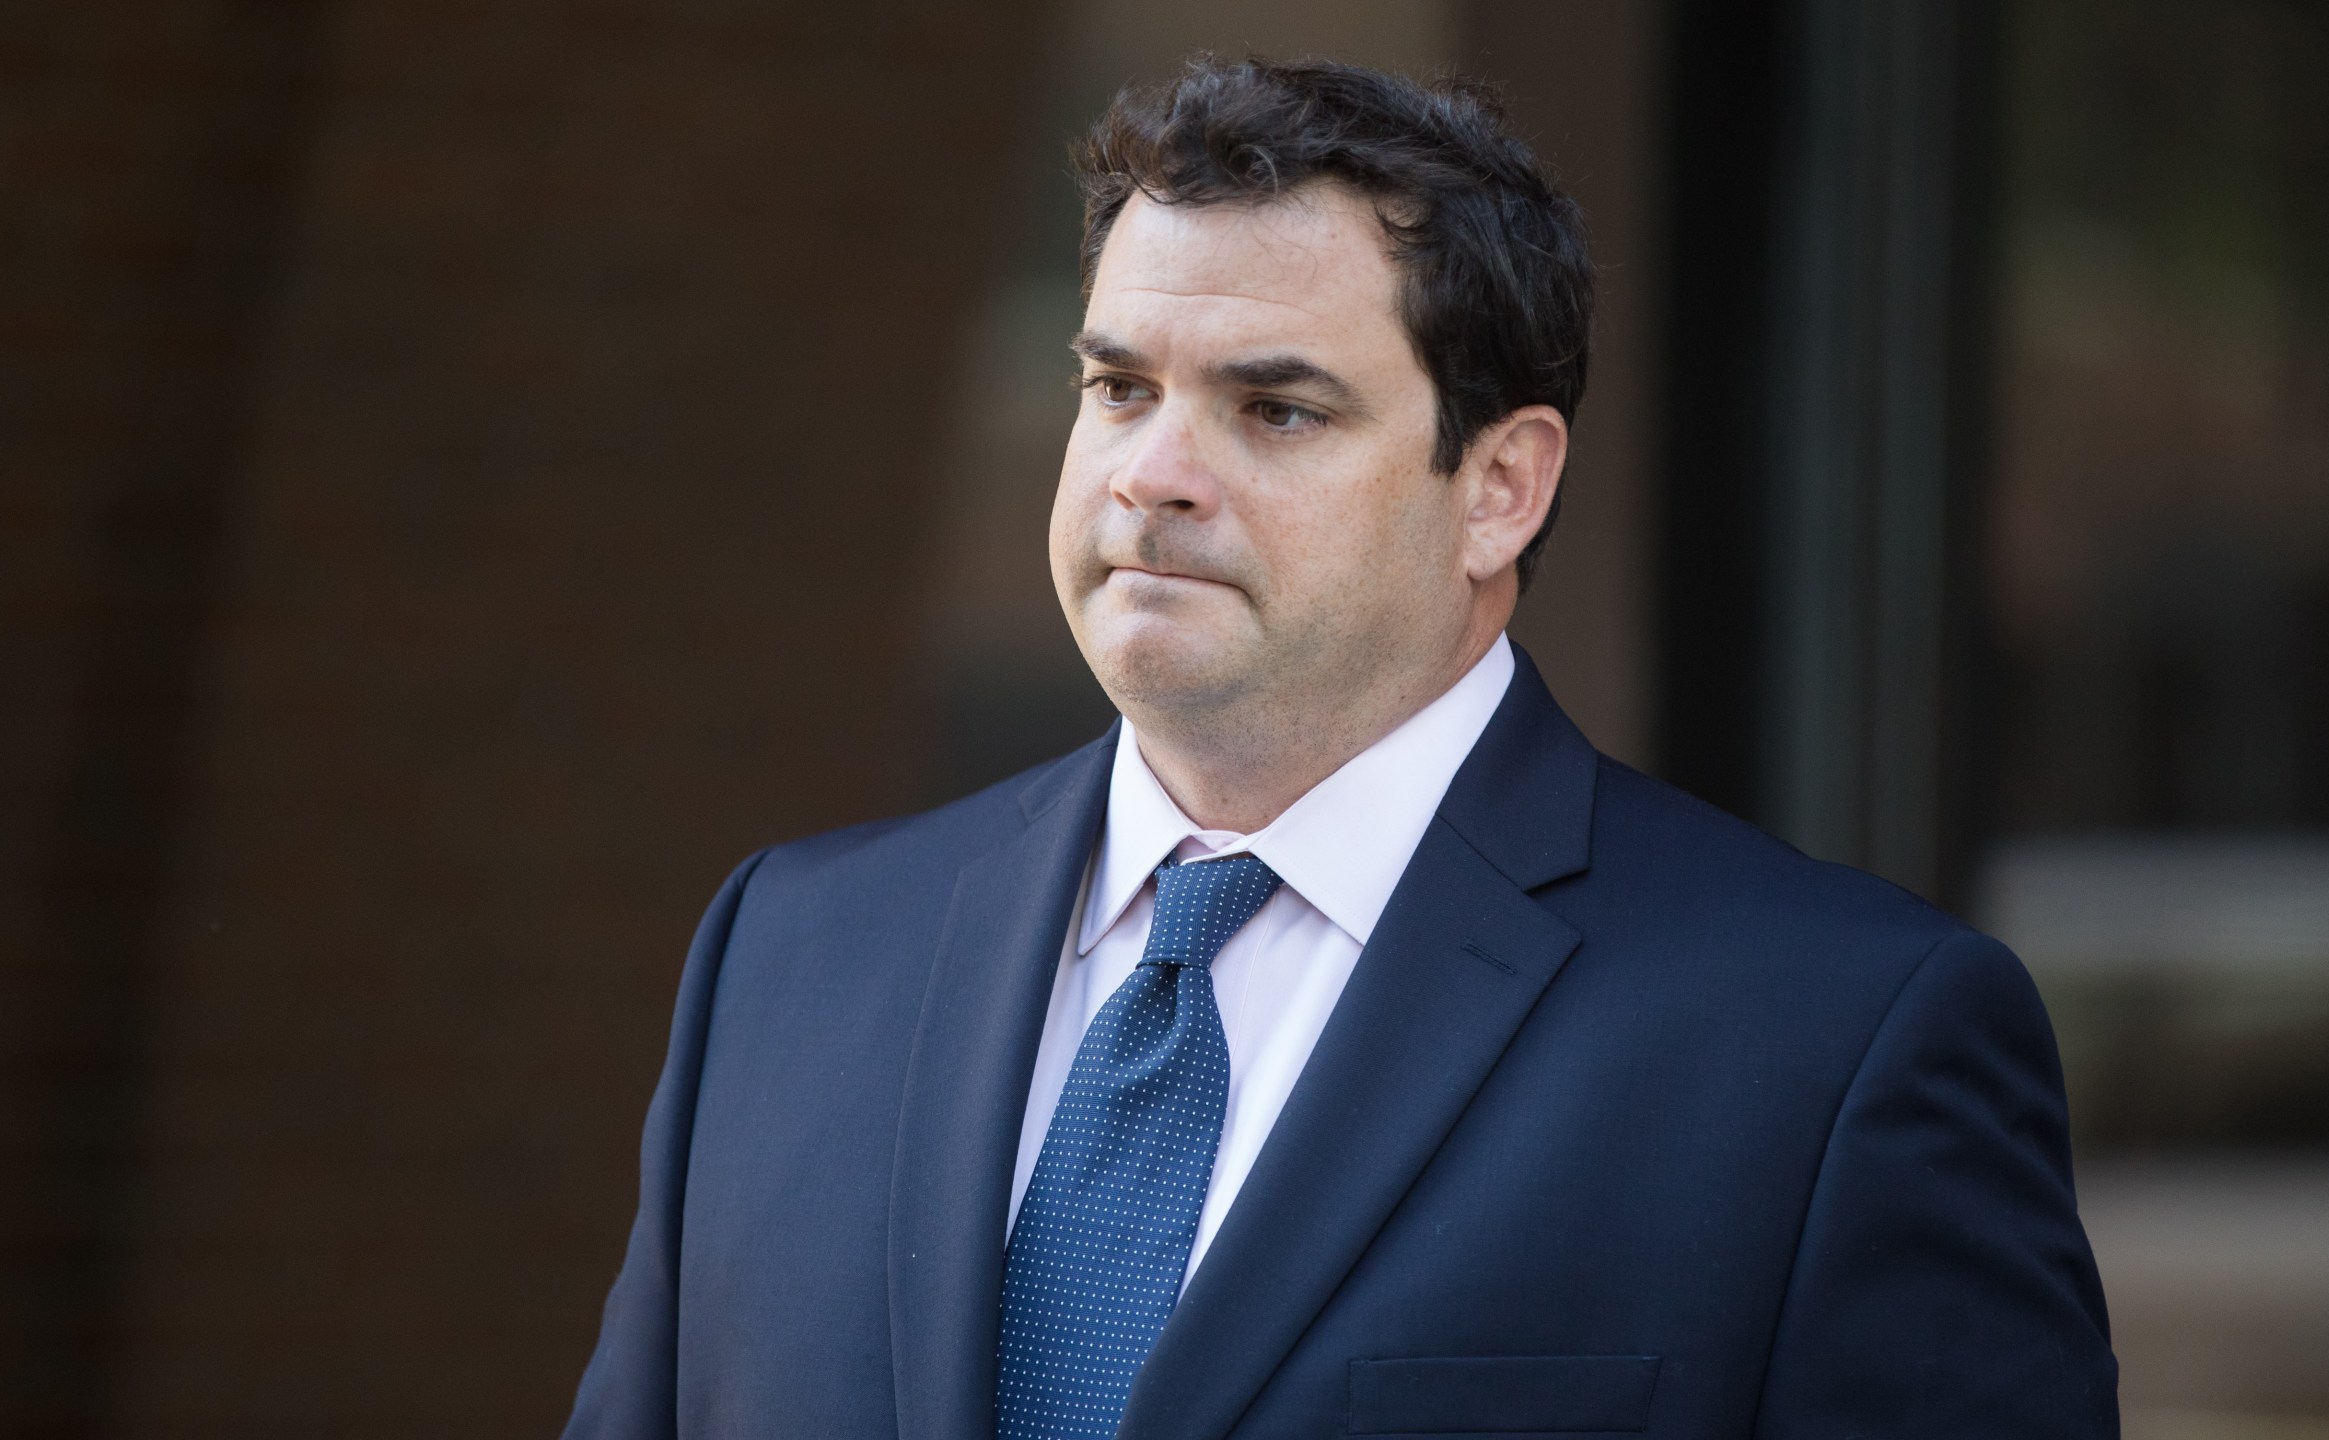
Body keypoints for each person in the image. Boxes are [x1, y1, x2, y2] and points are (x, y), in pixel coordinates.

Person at [563, 56, 2116, 1440]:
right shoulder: (793, 958)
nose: (1152, 475)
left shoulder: (1832, 1048)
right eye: (1119, 388)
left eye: (1276, 410)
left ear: (1500, 486)